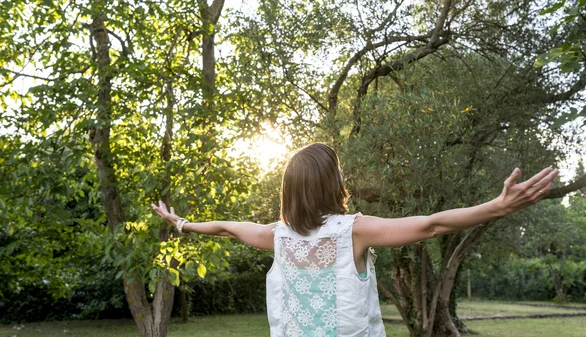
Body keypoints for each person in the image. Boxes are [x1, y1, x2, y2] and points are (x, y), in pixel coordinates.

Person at [151, 143, 558, 337]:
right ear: (332, 185)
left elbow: (225, 226)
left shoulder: (275, 236)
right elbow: (431, 225)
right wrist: (497, 206)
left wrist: (182, 224)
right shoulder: (354, 230)